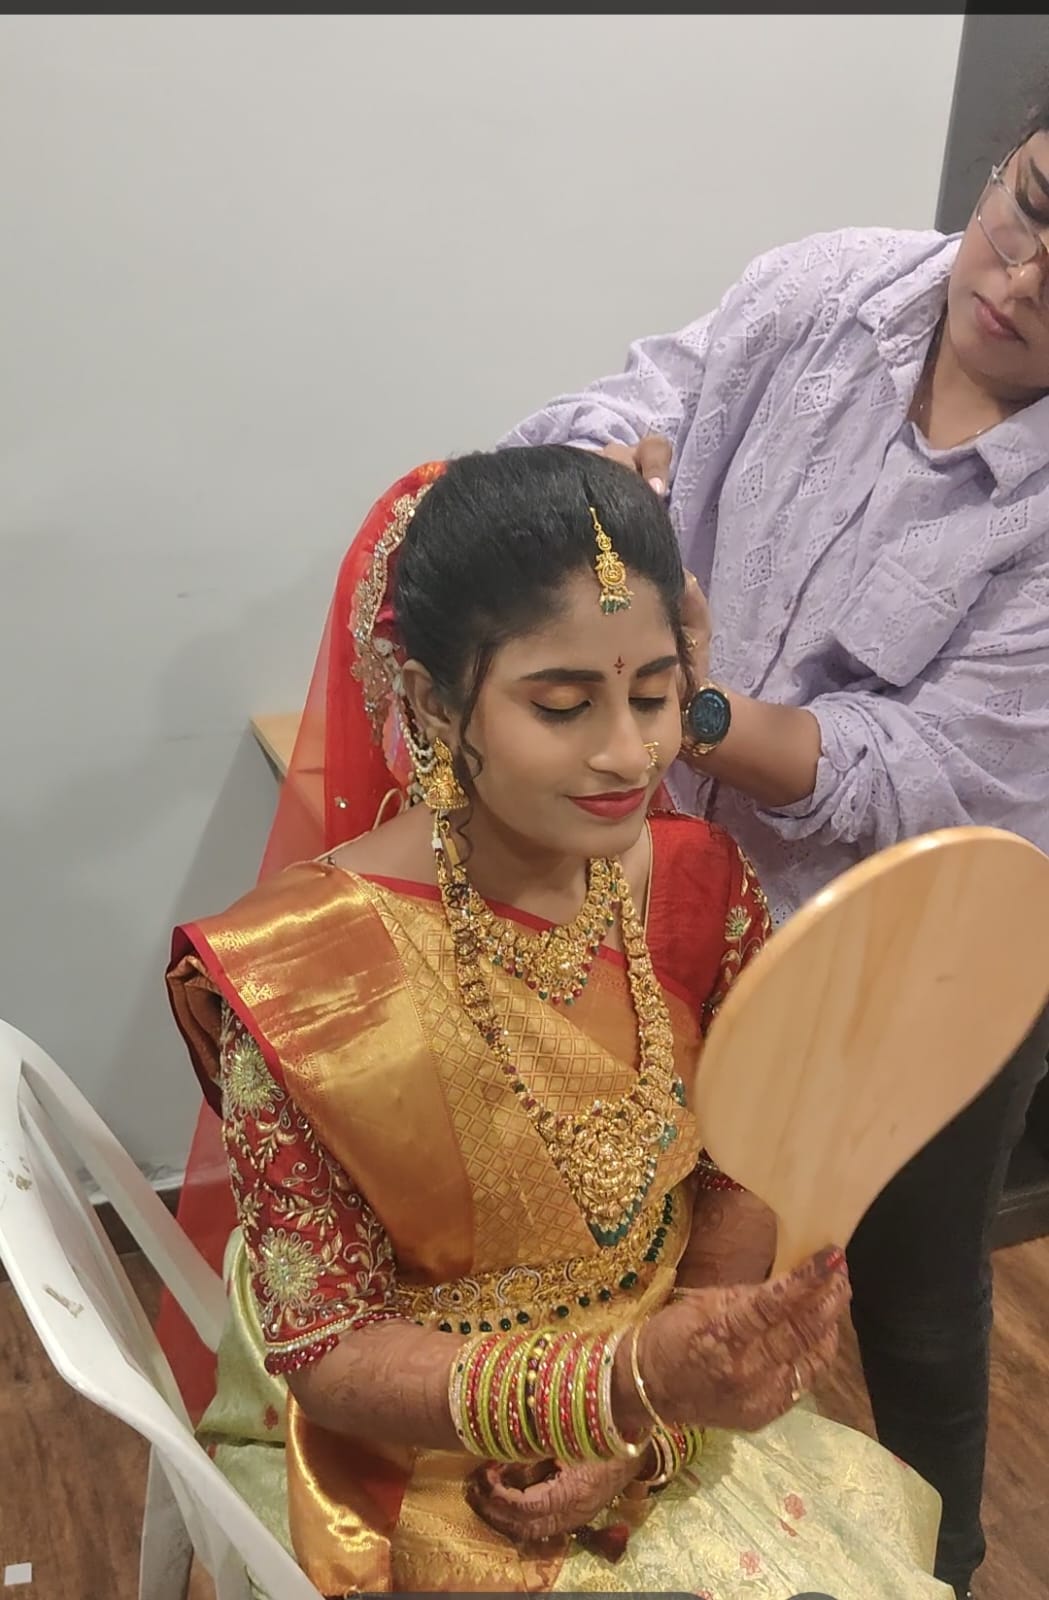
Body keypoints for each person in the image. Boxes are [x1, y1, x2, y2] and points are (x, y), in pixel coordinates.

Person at [165, 447, 952, 1598]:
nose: (628, 752)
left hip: (658, 1399)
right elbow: (329, 1352)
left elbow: (740, 1158)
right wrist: (612, 1387)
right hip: (421, 1458)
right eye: (562, 704)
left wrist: (677, 1377)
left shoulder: (695, 884)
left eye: (654, 694)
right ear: (433, 702)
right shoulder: (304, 975)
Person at [498, 96, 1049, 1600]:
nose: (1017, 279)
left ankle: (943, 1562)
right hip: (684, 895)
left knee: (912, 1289)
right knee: (666, 1217)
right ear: (1000, 166)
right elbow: (620, 404)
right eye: (1029, 207)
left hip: (929, 956)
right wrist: (602, 488)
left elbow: (914, 777)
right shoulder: (822, 291)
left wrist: (677, 703)